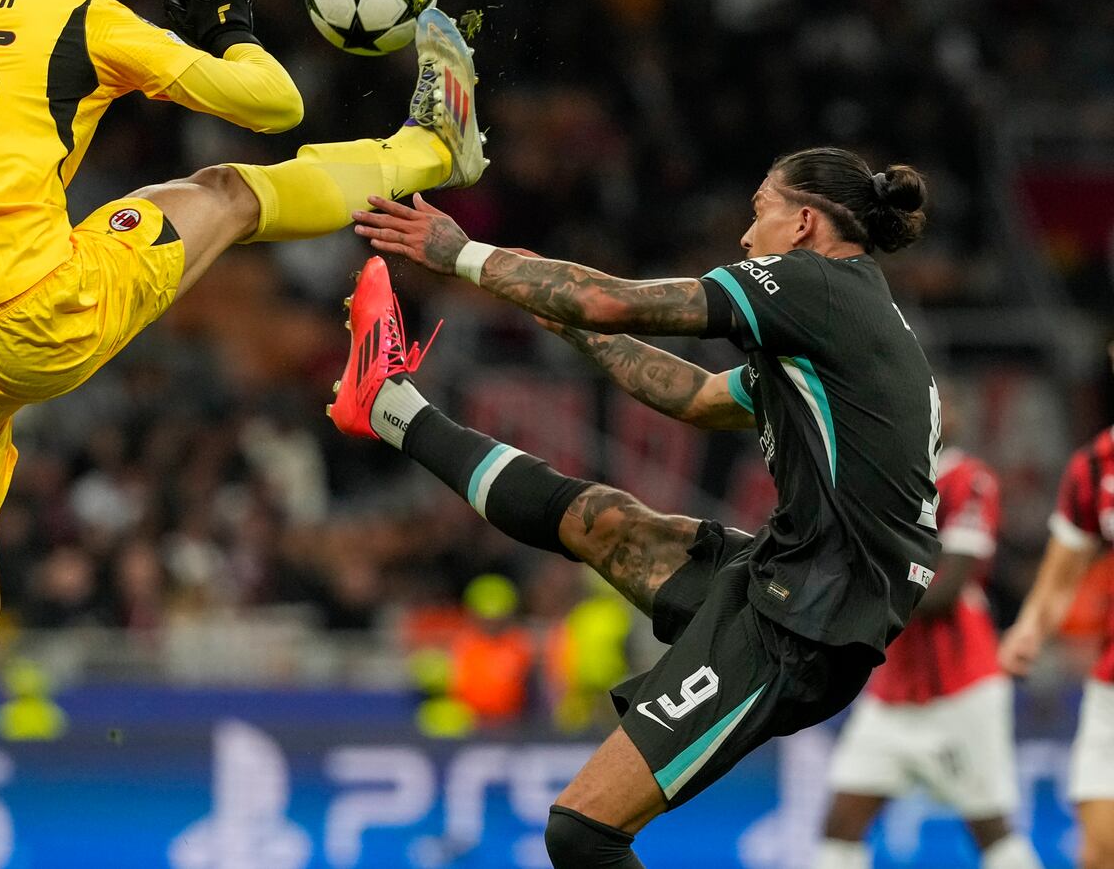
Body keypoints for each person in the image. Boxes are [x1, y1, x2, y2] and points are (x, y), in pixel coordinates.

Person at [0, 0, 487, 799]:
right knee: (224, 191)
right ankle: (432, 149)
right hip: (28, 308)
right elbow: (274, 104)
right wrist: (232, 27)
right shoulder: (76, 10)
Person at [329, 147, 940, 868]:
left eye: (759, 209)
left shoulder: (813, 286)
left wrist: (462, 254)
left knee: (582, 831)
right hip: (787, 578)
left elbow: (614, 297)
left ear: (803, 222)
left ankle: (389, 404)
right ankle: (389, 403)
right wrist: (574, 325)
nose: (745, 237)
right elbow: (697, 398)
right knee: (606, 523)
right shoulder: (839, 329)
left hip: (805, 621)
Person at [817, 430, 1042, 869]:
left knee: (991, 832)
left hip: (961, 689)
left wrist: (853, 592)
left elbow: (946, 591)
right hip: (893, 692)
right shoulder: (876, 482)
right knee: (841, 823)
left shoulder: (968, 480)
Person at [1000, 347, 1114, 869]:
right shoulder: (1095, 467)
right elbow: (1060, 575)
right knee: (1097, 847)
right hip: (1110, 686)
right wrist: (1029, 628)